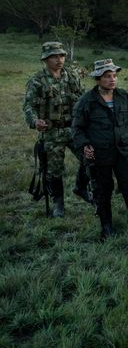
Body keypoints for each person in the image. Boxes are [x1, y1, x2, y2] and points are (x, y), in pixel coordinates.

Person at [71, 59, 128, 239]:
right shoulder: (86, 101)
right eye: (107, 76)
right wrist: (84, 146)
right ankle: (107, 225)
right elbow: (77, 129)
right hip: (100, 153)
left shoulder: (123, 97)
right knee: (103, 190)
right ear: (98, 78)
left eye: (114, 76)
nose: (112, 79)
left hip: (125, 150)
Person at [23, 41, 87, 217]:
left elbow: (83, 101)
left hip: (74, 130)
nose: (59, 60)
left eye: (62, 55)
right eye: (54, 56)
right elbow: (28, 107)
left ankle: (80, 188)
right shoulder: (37, 81)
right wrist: (35, 122)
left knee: (90, 158)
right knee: (54, 170)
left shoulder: (72, 76)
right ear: (45, 59)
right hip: (52, 133)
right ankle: (58, 203)